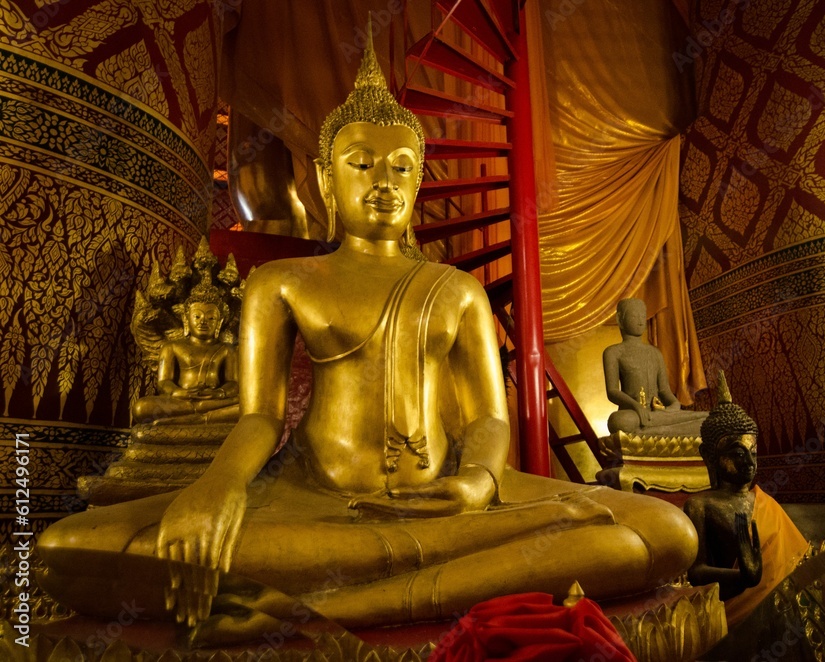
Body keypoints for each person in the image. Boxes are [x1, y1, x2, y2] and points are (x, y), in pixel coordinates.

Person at [38, 32, 697, 637]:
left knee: (665, 534)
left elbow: (486, 422)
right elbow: (261, 418)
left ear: (418, 180)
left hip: (450, 502)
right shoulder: (288, 281)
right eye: (362, 165)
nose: (384, 183)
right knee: (62, 551)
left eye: (401, 169)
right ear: (325, 178)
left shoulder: (457, 290)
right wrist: (211, 491)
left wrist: (471, 487)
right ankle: (472, 565)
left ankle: (320, 609)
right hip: (319, 502)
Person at [684, 371, 808, 626]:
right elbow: (696, 572)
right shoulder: (700, 505)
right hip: (731, 614)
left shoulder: (765, 504)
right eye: (738, 454)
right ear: (709, 455)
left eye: (752, 452)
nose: (749, 462)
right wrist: (743, 577)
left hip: (778, 617)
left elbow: (794, 565)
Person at [130, 276, 239, 425]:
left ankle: (196, 418)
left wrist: (219, 393)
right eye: (197, 316)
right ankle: (203, 417)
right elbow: (163, 382)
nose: (203, 321)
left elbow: (233, 383)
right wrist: (180, 393)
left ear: (219, 323)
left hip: (213, 400)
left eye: (211, 318)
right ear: (186, 320)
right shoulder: (172, 347)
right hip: (181, 402)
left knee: (246, 406)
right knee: (141, 408)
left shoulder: (226, 349)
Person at [603, 298, 706, 436]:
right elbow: (613, 391)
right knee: (619, 422)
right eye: (634, 315)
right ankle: (661, 431)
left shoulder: (655, 353)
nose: (640, 320)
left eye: (643, 315)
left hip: (658, 415)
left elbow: (664, 391)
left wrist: (674, 406)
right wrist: (637, 407)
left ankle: (652, 431)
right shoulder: (613, 353)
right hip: (634, 415)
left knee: (706, 419)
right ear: (620, 319)